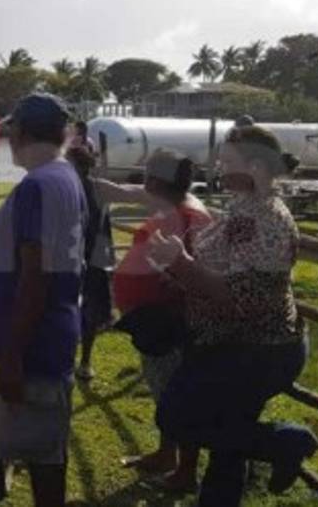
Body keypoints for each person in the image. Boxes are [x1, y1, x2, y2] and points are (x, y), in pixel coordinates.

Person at [146, 125, 316, 507]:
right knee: (229, 444)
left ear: (255, 168)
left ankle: (285, 441)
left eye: (226, 162)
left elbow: (238, 297)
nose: (218, 169)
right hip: (236, 344)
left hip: (255, 349)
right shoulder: (245, 209)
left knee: (177, 416)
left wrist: (181, 265)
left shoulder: (264, 219)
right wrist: (177, 266)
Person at [0, 94, 86, 506]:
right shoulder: (62, 175)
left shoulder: (39, 186)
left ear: (23, 133)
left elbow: (35, 277)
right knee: (45, 452)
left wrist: (14, 356)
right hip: (43, 332)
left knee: (42, 458)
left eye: (12, 131)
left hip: (35, 343)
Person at [94, 149, 210, 492]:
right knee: (166, 393)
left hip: (172, 324)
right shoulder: (173, 207)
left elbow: (195, 271)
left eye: (146, 175)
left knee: (178, 396)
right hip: (155, 321)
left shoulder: (189, 216)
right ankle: (167, 454)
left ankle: (185, 471)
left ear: (156, 180)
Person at [66, 147, 114, 382]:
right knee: (74, 308)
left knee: (89, 310)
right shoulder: (83, 187)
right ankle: (74, 359)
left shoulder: (93, 187)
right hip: (79, 257)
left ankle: (84, 361)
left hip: (88, 256)